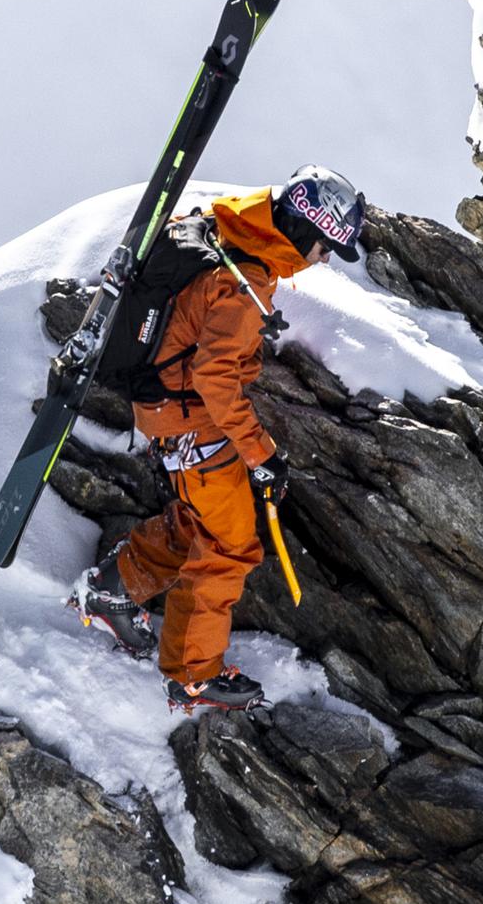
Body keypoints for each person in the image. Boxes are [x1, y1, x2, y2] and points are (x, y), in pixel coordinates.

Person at [78, 166, 366, 711]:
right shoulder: (244, 280)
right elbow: (215, 378)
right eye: (326, 246)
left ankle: (113, 589)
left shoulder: (231, 227)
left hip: (170, 411)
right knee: (229, 546)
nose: (324, 259)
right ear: (306, 230)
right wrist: (262, 455)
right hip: (191, 419)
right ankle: (193, 674)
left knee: (201, 524)